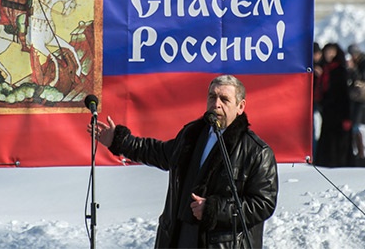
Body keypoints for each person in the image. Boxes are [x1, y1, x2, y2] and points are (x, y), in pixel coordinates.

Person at [89, 75, 278, 248]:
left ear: (240, 107)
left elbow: (263, 203)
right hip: (180, 237)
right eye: (212, 97)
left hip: (222, 243)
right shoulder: (192, 135)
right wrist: (120, 142)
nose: (216, 104)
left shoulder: (257, 152)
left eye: (224, 99)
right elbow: (159, 152)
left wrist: (214, 210)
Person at [314, 43, 353, 167]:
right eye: (326, 52)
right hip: (328, 110)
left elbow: (344, 94)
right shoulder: (324, 69)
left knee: (339, 140)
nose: (328, 54)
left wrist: (347, 116)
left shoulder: (339, 70)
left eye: (331, 52)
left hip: (339, 109)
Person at [347, 43, 365, 159]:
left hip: (360, 100)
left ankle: (360, 153)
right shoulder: (357, 63)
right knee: (353, 126)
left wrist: (353, 68)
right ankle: (355, 152)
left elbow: (363, 78)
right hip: (354, 98)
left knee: (355, 126)